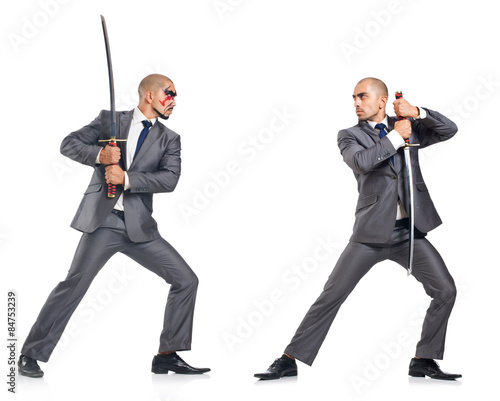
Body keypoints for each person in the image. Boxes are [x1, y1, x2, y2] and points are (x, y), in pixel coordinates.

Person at [254, 77, 461, 381]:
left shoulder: (408, 125)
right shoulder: (348, 135)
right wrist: (394, 137)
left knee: (445, 290)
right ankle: (288, 359)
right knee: (332, 294)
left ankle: (424, 359)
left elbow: (449, 130)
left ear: (381, 101)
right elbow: (362, 162)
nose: (355, 103)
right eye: (353, 98)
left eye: (362, 97)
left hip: (409, 234)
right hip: (370, 235)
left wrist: (416, 112)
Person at [18, 74, 210, 378]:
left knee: (186, 280)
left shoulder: (170, 139)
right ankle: (30, 354)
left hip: (141, 229)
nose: (173, 100)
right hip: (103, 223)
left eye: (175, 95)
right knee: (74, 284)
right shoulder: (110, 121)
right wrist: (99, 155)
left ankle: (167, 355)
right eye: (169, 93)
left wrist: (128, 179)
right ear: (149, 95)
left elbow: (169, 179)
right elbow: (68, 144)